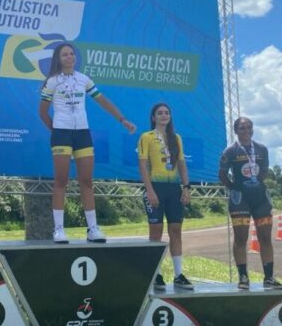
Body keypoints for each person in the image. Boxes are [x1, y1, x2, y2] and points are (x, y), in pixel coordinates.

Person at [39, 42, 136, 243]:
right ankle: (58, 230)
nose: (69, 57)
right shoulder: (52, 82)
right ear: (58, 58)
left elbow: (103, 101)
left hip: (83, 133)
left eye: (71, 54)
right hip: (62, 133)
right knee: (61, 180)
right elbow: (42, 112)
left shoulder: (84, 79)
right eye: (65, 54)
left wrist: (122, 119)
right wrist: (56, 131)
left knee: (87, 181)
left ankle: (93, 229)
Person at [218, 117, 282, 290]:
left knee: (265, 237)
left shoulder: (262, 149)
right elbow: (222, 174)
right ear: (236, 131)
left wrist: (257, 183)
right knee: (241, 238)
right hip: (240, 200)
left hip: (260, 199)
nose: (246, 130)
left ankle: (269, 277)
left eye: (249, 127)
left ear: (253, 129)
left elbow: (264, 170)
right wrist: (234, 188)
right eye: (242, 128)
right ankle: (243, 277)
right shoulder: (230, 151)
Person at [138, 103, 193, 290]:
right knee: (156, 232)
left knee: (176, 230)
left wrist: (186, 187)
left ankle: (178, 275)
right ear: (153, 117)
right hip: (156, 187)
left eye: (166, 113)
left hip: (173, 188)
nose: (163, 115)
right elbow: (143, 166)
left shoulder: (176, 138)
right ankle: (157, 274)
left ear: (170, 116)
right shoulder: (146, 137)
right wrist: (150, 190)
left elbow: (182, 164)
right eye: (159, 113)